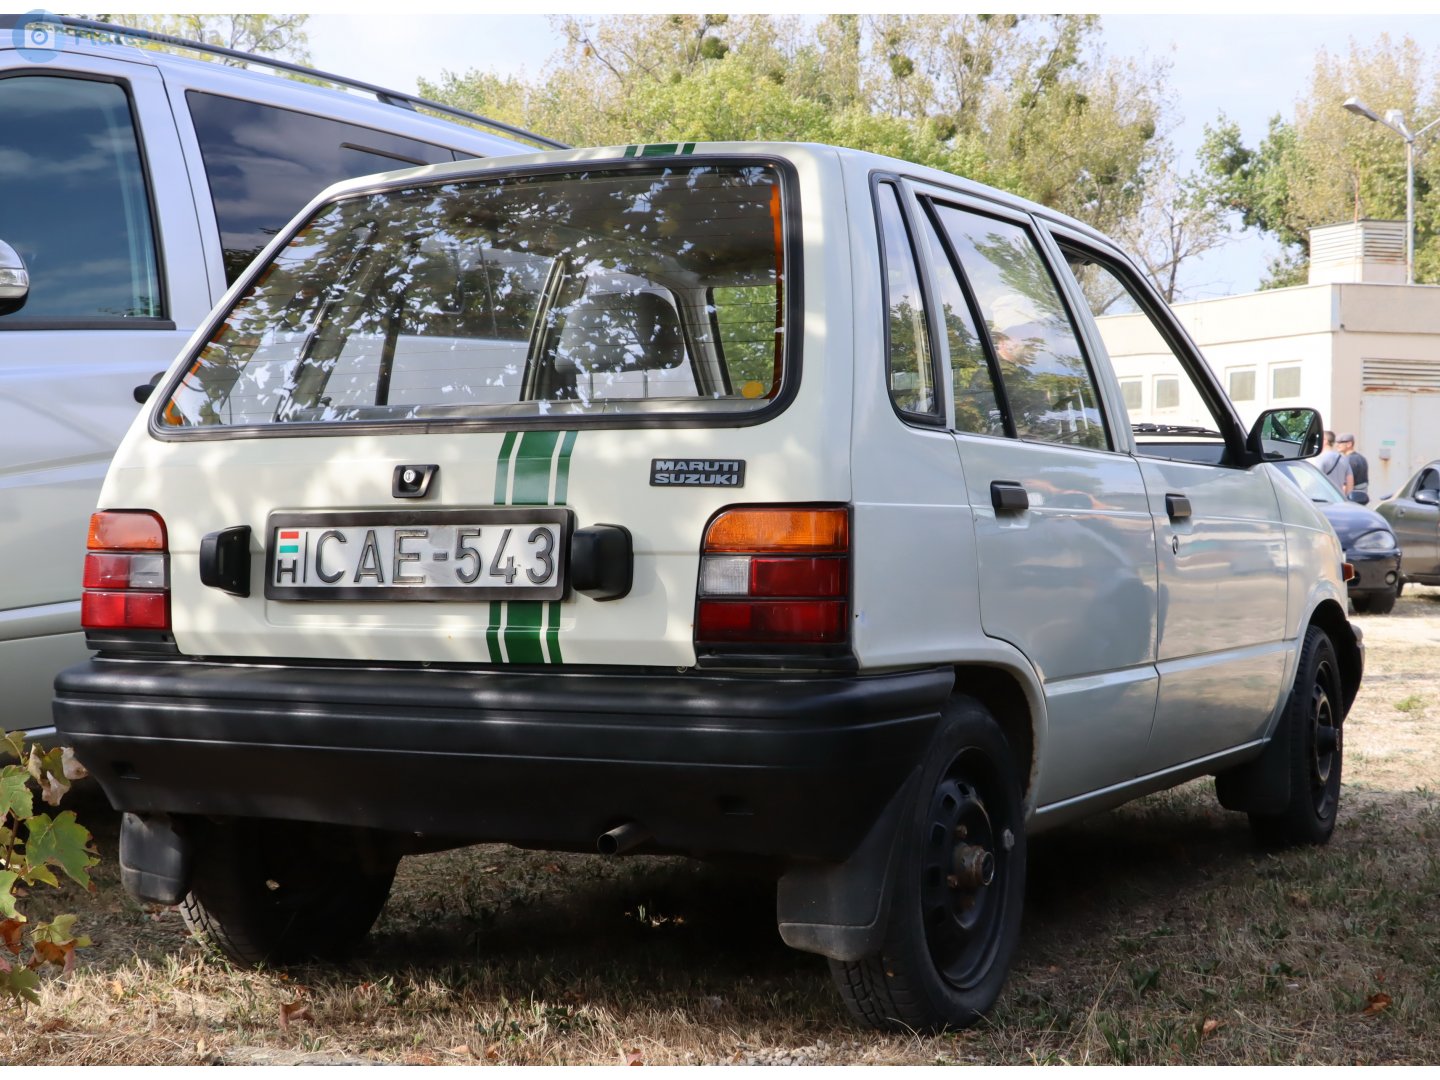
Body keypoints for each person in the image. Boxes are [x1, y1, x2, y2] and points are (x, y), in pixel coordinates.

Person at [1317, 430, 1354, 497]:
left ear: (1325, 440)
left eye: (1318, 439)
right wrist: (1347, 498)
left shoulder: (1320, 458)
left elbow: (1316, 480)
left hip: (1323, 499)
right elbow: (1350, 481)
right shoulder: (1344, 458)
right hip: (1338, 499)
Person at [1338, 432, 1369, 504]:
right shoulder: (1361, 458)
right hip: (1362, 497)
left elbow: (1347, 484)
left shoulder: (1349, 460)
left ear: (1349, 444)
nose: (1337, 445)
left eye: (1341, 442)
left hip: (1352, 498)